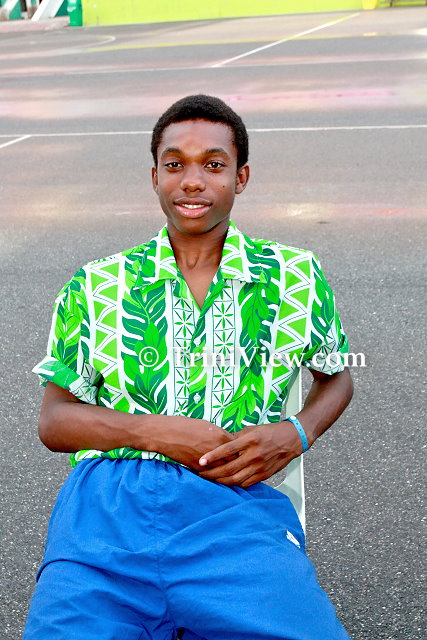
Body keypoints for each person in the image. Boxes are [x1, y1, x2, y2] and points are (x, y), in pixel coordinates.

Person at [24, 94, 354, 640]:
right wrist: (154, 432)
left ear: (241, 177)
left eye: (214, 165)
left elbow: (336, 373)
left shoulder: (294, 274)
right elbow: (55, 421)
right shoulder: (97, 282)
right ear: (155, 177)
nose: (193, 181)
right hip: (105, 516)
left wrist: (298, 432)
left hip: (234, 509)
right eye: (175, 164)